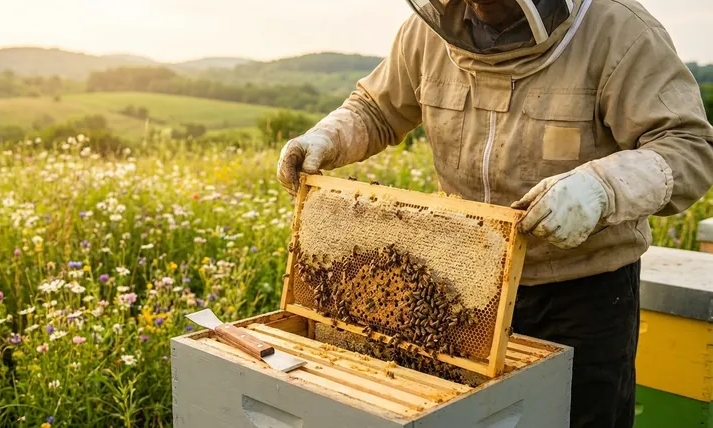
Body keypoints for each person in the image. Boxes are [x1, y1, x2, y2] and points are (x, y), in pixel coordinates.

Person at [276, 0, 713, 426]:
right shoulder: (428, 30)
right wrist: (329, 137)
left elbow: (687, 147)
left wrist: (602, 188)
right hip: (463, 289)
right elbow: (376, 108)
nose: (475, 7)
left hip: (582, 294)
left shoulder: (621, 31)